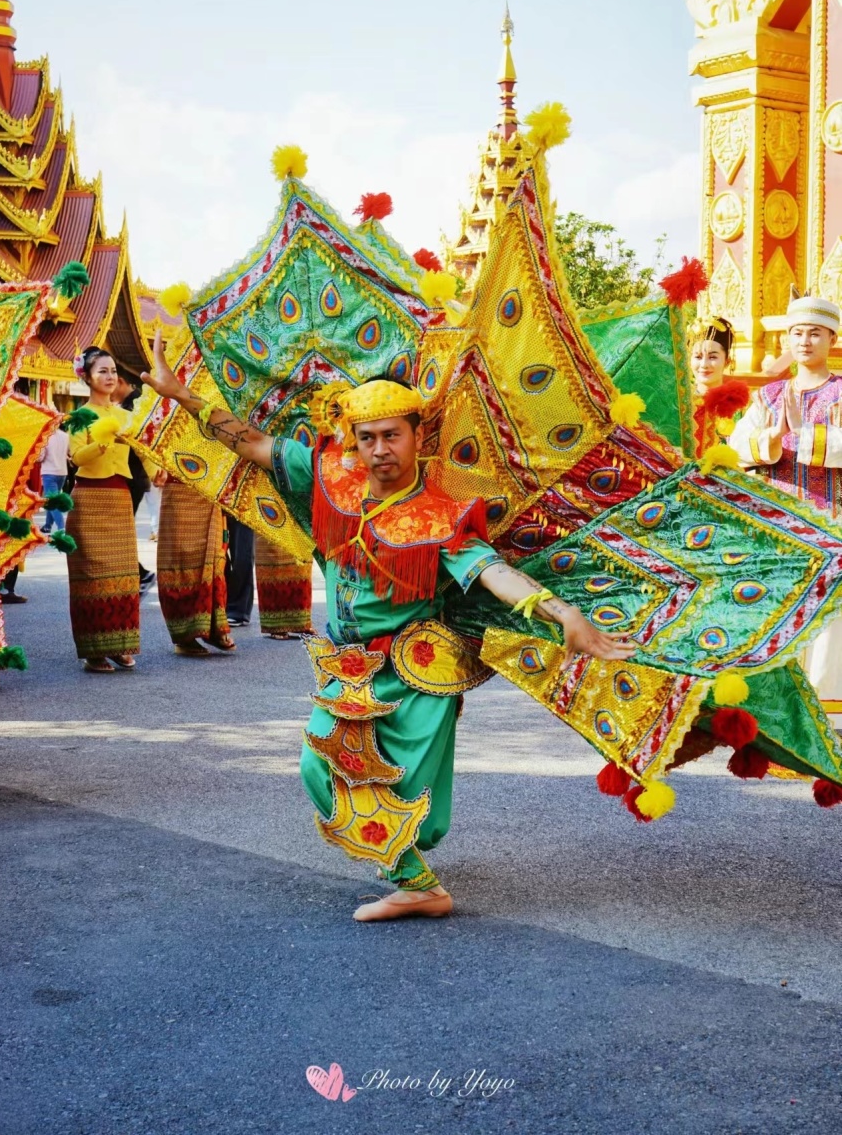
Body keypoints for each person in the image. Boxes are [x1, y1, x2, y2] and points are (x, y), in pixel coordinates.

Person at [143, 334, 636, 922]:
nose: (379, 450)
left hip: (413, 670)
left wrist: (564, 614)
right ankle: (415, 880)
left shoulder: (438, 517)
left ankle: (414, 879)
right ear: (354, 441)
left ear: (417, 439)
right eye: (368, 438)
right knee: (317, 765)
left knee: (405, 789)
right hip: (348, 665)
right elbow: (252, 442)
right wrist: (182, 396)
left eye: (391, 436)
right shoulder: (331, 480)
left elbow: (493, 572)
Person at [730, 295, 842, 727]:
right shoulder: (770, 395)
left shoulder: (839, 392)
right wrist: (771, 438)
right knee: (782, 610)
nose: (805, 340)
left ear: (831, 338)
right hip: (778, 523)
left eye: (814, 332)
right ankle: (781, 720)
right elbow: (738, 446)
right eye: (797, 333)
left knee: (828, 618)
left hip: (829, 518)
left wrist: (804, 435)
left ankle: (825, 722)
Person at [66, 346, 139, 673]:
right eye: (102, 372)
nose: (110, 377)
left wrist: (157, 470)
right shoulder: (80, 416)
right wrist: (102, 444)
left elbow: (146, 448)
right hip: (89, 498)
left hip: (118, 497)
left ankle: (120, 644)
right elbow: (76, 458)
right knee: (91, 577)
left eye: (113, 371)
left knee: (123, 575)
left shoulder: (126, 417)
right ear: (87, 377)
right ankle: (94, 650)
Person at [156, 481, 235, 657]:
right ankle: (184, 636)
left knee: (214, 561)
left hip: (209, 488)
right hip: (178, 490)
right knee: (181, 563)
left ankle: (214, 629)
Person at [112, 366, 156, 593]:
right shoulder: (125, 405)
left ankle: (140, 574)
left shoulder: (135, 405)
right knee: (120, 530)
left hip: (134, 475)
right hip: (130, 475)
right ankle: (136, 574)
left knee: (120, 531)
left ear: (120, 381)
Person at [690, 317, 750, 454]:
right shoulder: (679, 404)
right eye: (698, 357)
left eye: (712, 357)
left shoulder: (743, 407)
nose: (704, 365)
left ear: (727, 361)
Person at [38, 425, 70, 534]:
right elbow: (68, 451)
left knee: (52, 502)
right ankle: (47, 526)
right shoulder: (66, 436)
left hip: (49, 472)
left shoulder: (44, 437)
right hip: (62, 472)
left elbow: (40, 457)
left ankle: (61, 528)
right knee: (52, 500)